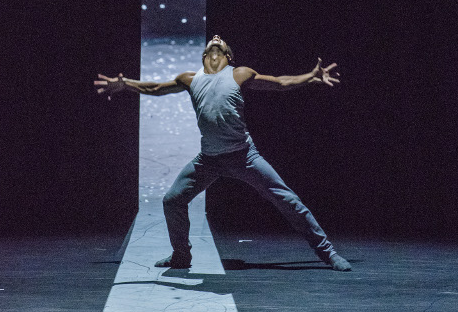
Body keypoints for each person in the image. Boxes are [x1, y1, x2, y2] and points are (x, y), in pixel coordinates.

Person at [94, 35, 351, 272]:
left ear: (228, 56)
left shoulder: (239, 74)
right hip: (209, 160)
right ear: (204, 55)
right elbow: (155, 88)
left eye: (220, 42)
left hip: (244, 157)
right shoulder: (190, 79)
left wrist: (310, 75)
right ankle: (181, 255)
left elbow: (281, 83)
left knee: (289, 201)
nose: (215, 38)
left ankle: (327, 253)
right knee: (172, 200)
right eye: (212, 41)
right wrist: (125, 83)